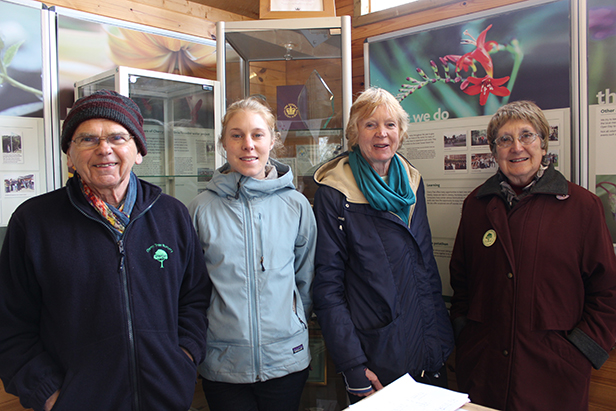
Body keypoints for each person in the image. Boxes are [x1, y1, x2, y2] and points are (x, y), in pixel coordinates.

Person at [0, 90, 210, 411]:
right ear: (70, 156)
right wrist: (48, 392)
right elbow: (11, 324)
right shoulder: (33, 223)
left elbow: (194, 297)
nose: (104, 149)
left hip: (166, 397)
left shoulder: (172, 214)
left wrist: (183, 357)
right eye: (87, 139)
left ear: (138, 150)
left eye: (117, 137)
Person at [449, 100, 616, 411]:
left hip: (554, 375)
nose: (517, 147)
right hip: (485, 371)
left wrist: (580, 350)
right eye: (505, 139)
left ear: (543, 144)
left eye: (527, 136)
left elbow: (607, 291)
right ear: (493, 149)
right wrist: (465, 333)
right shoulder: (476, 205)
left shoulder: (583, 207)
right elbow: (462, 281)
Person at [312, 87, 455, 403]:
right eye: (370, 124)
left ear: (400, 132)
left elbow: (426, 269)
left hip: (427, 350)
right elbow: (328, 289)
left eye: (390, 124)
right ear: (354, 132)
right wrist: (352, 365)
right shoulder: (334, 193)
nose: (382, 133)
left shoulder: (413, 182)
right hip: (376, 355)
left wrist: (440, 344)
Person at [188, 96, 316, 411]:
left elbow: (306, 276)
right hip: (223, 363)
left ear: (272, 141)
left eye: (257, 134)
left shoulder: (296, 205)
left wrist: (295, 319)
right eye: (237, 135)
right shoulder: (200, 208)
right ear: (223, 143)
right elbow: (191, 289)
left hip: (286, 360)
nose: (248, 144)